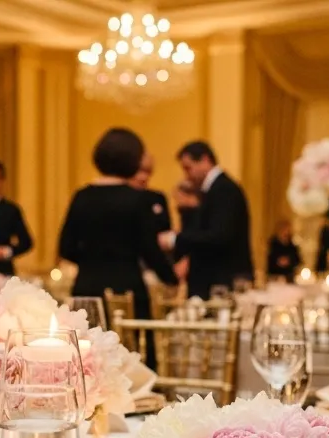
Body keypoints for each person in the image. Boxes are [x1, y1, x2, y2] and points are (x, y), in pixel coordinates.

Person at [60, 128, 179, 322]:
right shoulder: (138, 200)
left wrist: (93, 261)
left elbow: (66, 248)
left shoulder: (82, 197)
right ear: (134, 161)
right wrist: (171, 279)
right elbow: (150, 250)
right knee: (130, 349)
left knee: (86, 348)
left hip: (87, 289)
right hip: (126, 290)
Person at [160, 141, 252, 298]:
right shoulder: (213, 190)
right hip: (213, 279)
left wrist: (175, 239)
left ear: (205, 160)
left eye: (188, 168)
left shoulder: (224, 189)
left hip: (220, 280)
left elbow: (219, 235)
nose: (186, 175)